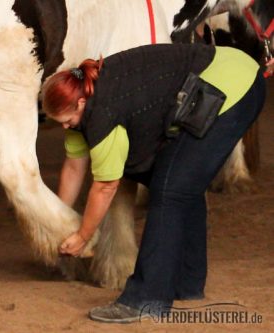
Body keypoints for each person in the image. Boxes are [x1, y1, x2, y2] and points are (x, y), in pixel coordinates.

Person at [41, 43, 266, 323]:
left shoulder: (102, 112)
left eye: (66, 120)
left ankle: (146, 298)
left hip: (233, 84)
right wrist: (60, 222)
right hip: (222, 75)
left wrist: (83, 237)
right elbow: (74, 168)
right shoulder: (80, 111)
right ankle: (187, 283)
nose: (64, 127)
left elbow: (105, 186)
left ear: (81, 103)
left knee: (170, 190)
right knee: (182, 185)